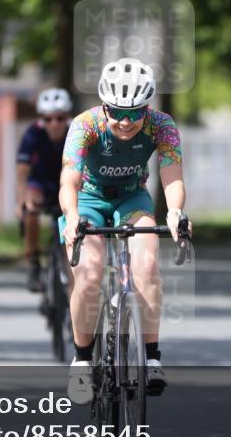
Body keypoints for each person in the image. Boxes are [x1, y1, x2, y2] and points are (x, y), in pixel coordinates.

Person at [58, 57, 191, 405]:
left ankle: (150, 358)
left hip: (132, 199)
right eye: (117, 112)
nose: (126, 121)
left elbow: (172, 175)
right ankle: (83, 359)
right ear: (104, 105)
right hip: (88, 199)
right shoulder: (84, 125)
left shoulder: (162, 125)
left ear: (148, 108)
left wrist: (175, 211)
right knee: (88, 273)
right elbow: (68, 180)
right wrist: (72, 217)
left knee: (147, 265)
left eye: (135, 113)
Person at [16, 88, 72, 292]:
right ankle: (33, 262)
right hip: (40, 184)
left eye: (60, 118)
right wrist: (21, 199)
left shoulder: (77, 130)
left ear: (67, 117)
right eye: (48, 119)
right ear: (41, 119)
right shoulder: (33, 134)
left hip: (69, 185)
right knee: (30, 209)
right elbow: (22, 170)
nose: (54, 124)